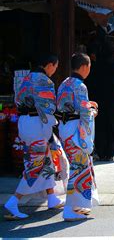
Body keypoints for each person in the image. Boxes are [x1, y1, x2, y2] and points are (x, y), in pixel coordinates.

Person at [4, 54, 66, 220]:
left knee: (44, 161)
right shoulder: (45, 82)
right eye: (55, 67)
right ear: (50, 65)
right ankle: (13, 201)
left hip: (25, 123)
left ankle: (52, 198)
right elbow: (49, 108)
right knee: (35, 165)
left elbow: (18, 99)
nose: (55, 70)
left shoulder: (25, 79)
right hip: (36, 125)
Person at [57, 53, 99, 221]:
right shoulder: (80, 86)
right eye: (89, 67)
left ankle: (77, 205)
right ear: (84, 67)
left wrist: (88, 105)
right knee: (78, 168)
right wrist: (93, 111)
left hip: (64, 127)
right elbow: (84, 113)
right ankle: (69, 208)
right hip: (75, 129)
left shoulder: (64, 83)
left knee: (79, 166)